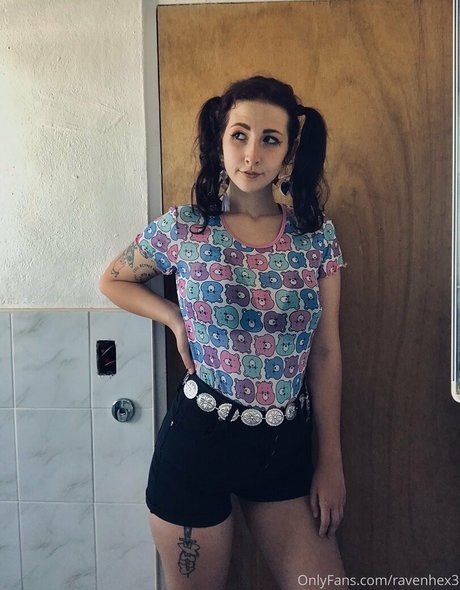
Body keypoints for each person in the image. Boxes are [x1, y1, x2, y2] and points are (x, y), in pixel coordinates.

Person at [99, 75, 349, 590]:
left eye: (270, 139)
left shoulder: (315, 235)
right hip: (199, 445)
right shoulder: (185, 227)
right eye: (240, 135)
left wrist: (331, 461)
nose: (252, 154)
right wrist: (174, 318)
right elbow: (113, 280)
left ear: (289, 151)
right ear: (220, 141)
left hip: (286, 449)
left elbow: (325, 351)